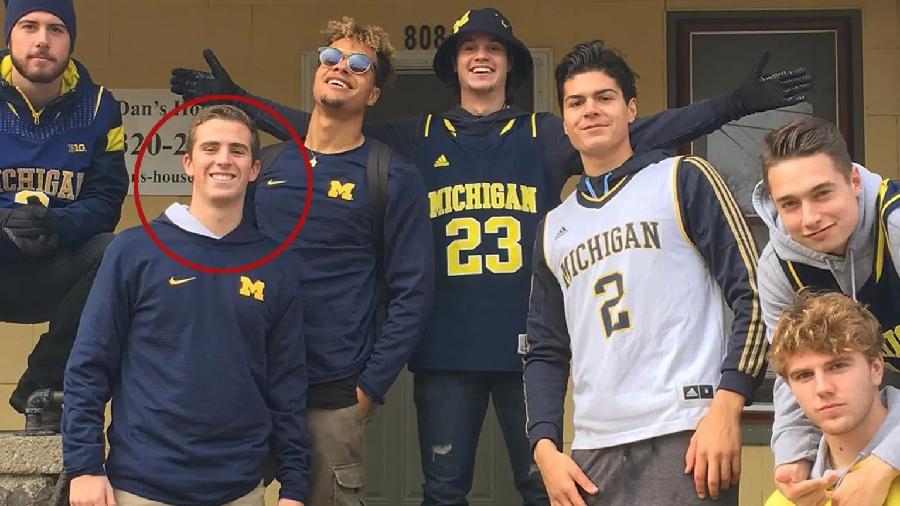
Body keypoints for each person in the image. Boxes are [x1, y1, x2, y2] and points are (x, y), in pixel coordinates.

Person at [170, 8, 808, 503]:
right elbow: (325, 131)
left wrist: (733, 106)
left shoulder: (545, 133)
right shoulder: (417, 138)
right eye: (469, 48)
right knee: (444, 490)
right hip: (446, 350)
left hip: (530, 351)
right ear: (453, 64)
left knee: (543, 486)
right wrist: (238, 101)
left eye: (494, 48)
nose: (481, 56)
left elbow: (639, 130)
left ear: (510, 64)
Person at [524, 40, 766, 506]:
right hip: (593, 450)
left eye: (604, 97)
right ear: (565, 122)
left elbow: (754, 294)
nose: (590, 110)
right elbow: (544, 348)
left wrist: (729, 403)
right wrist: (545, 447)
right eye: (576, 102)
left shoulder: (683, 179)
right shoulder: (553, 227)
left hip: (686, 432)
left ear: (631, 108)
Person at [63, 105, 310, 506]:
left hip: (241, 489)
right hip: (141, 487)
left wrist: (294, 486)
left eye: (237, 150)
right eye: (210, 148)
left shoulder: (276, 266)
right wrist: (84, 466)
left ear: (254, 170)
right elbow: (90, 366)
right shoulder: (134, 251)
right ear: (189, 164)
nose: (223, 160)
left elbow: (288, 385)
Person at [244, 18, 434, 505]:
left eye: (359, 65)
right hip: (249, 380)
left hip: (334, 390)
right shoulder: (265, 166)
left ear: (373, 93)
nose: (341, 68)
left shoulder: (390, 174)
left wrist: (369, 387)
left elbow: (413, 293)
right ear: (316, 72)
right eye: (332, 58)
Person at [753, 117, 900, 506]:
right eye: (790, 204)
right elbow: (791, 368)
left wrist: (885, 461)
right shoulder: (778, 267)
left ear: (854, 181)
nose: (810, 218)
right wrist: (794, 455)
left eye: (822, 194)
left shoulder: (896, 225)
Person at [0, 0, 128, 427]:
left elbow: (106, 200)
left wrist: (58, 224)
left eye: (56, 29)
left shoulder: (99, 107)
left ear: (70, 40)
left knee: (117, 252)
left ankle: (42, 388)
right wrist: (4, 221)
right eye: (29, 26)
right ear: (9, 35)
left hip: (55, 268)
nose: (42, 40)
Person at [765, 292, 900, 506]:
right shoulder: (785, 501)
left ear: (876, 369)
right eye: (804, 375)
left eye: (837, 366)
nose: (823, 388)